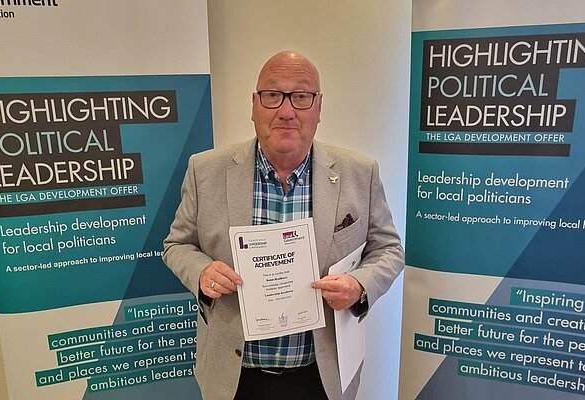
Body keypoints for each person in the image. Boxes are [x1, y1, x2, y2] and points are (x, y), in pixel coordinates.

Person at [162, 50, 404, 400]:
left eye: (301, 97)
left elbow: (389, 249)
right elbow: (176, 245)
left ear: (319, 107)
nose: (286, 111)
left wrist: (359, 285)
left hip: (321, 376)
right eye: (273, 96)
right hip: (235, 377)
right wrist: (202, 272)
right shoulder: (206, 170)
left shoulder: (358, 173)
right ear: (254, 105)